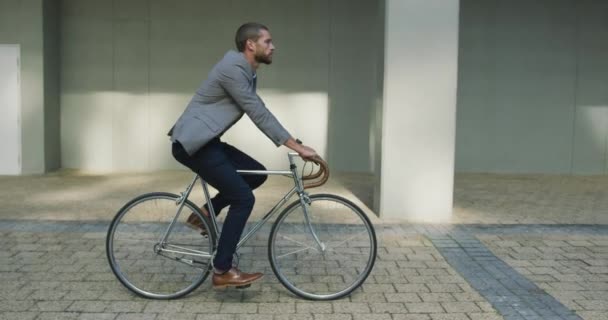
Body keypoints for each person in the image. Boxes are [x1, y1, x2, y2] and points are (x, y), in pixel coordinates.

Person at [168, 22, 318, 289]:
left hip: (207, 143)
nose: (273, 47)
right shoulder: (233, 69)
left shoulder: (245, 70)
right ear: (251, 45)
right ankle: (223, 270)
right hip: (193, 144)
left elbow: (256, 108)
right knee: (243, 198)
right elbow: (257, 111)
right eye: (268, 42)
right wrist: (297, 146)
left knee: (254, 173)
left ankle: (205, 212)